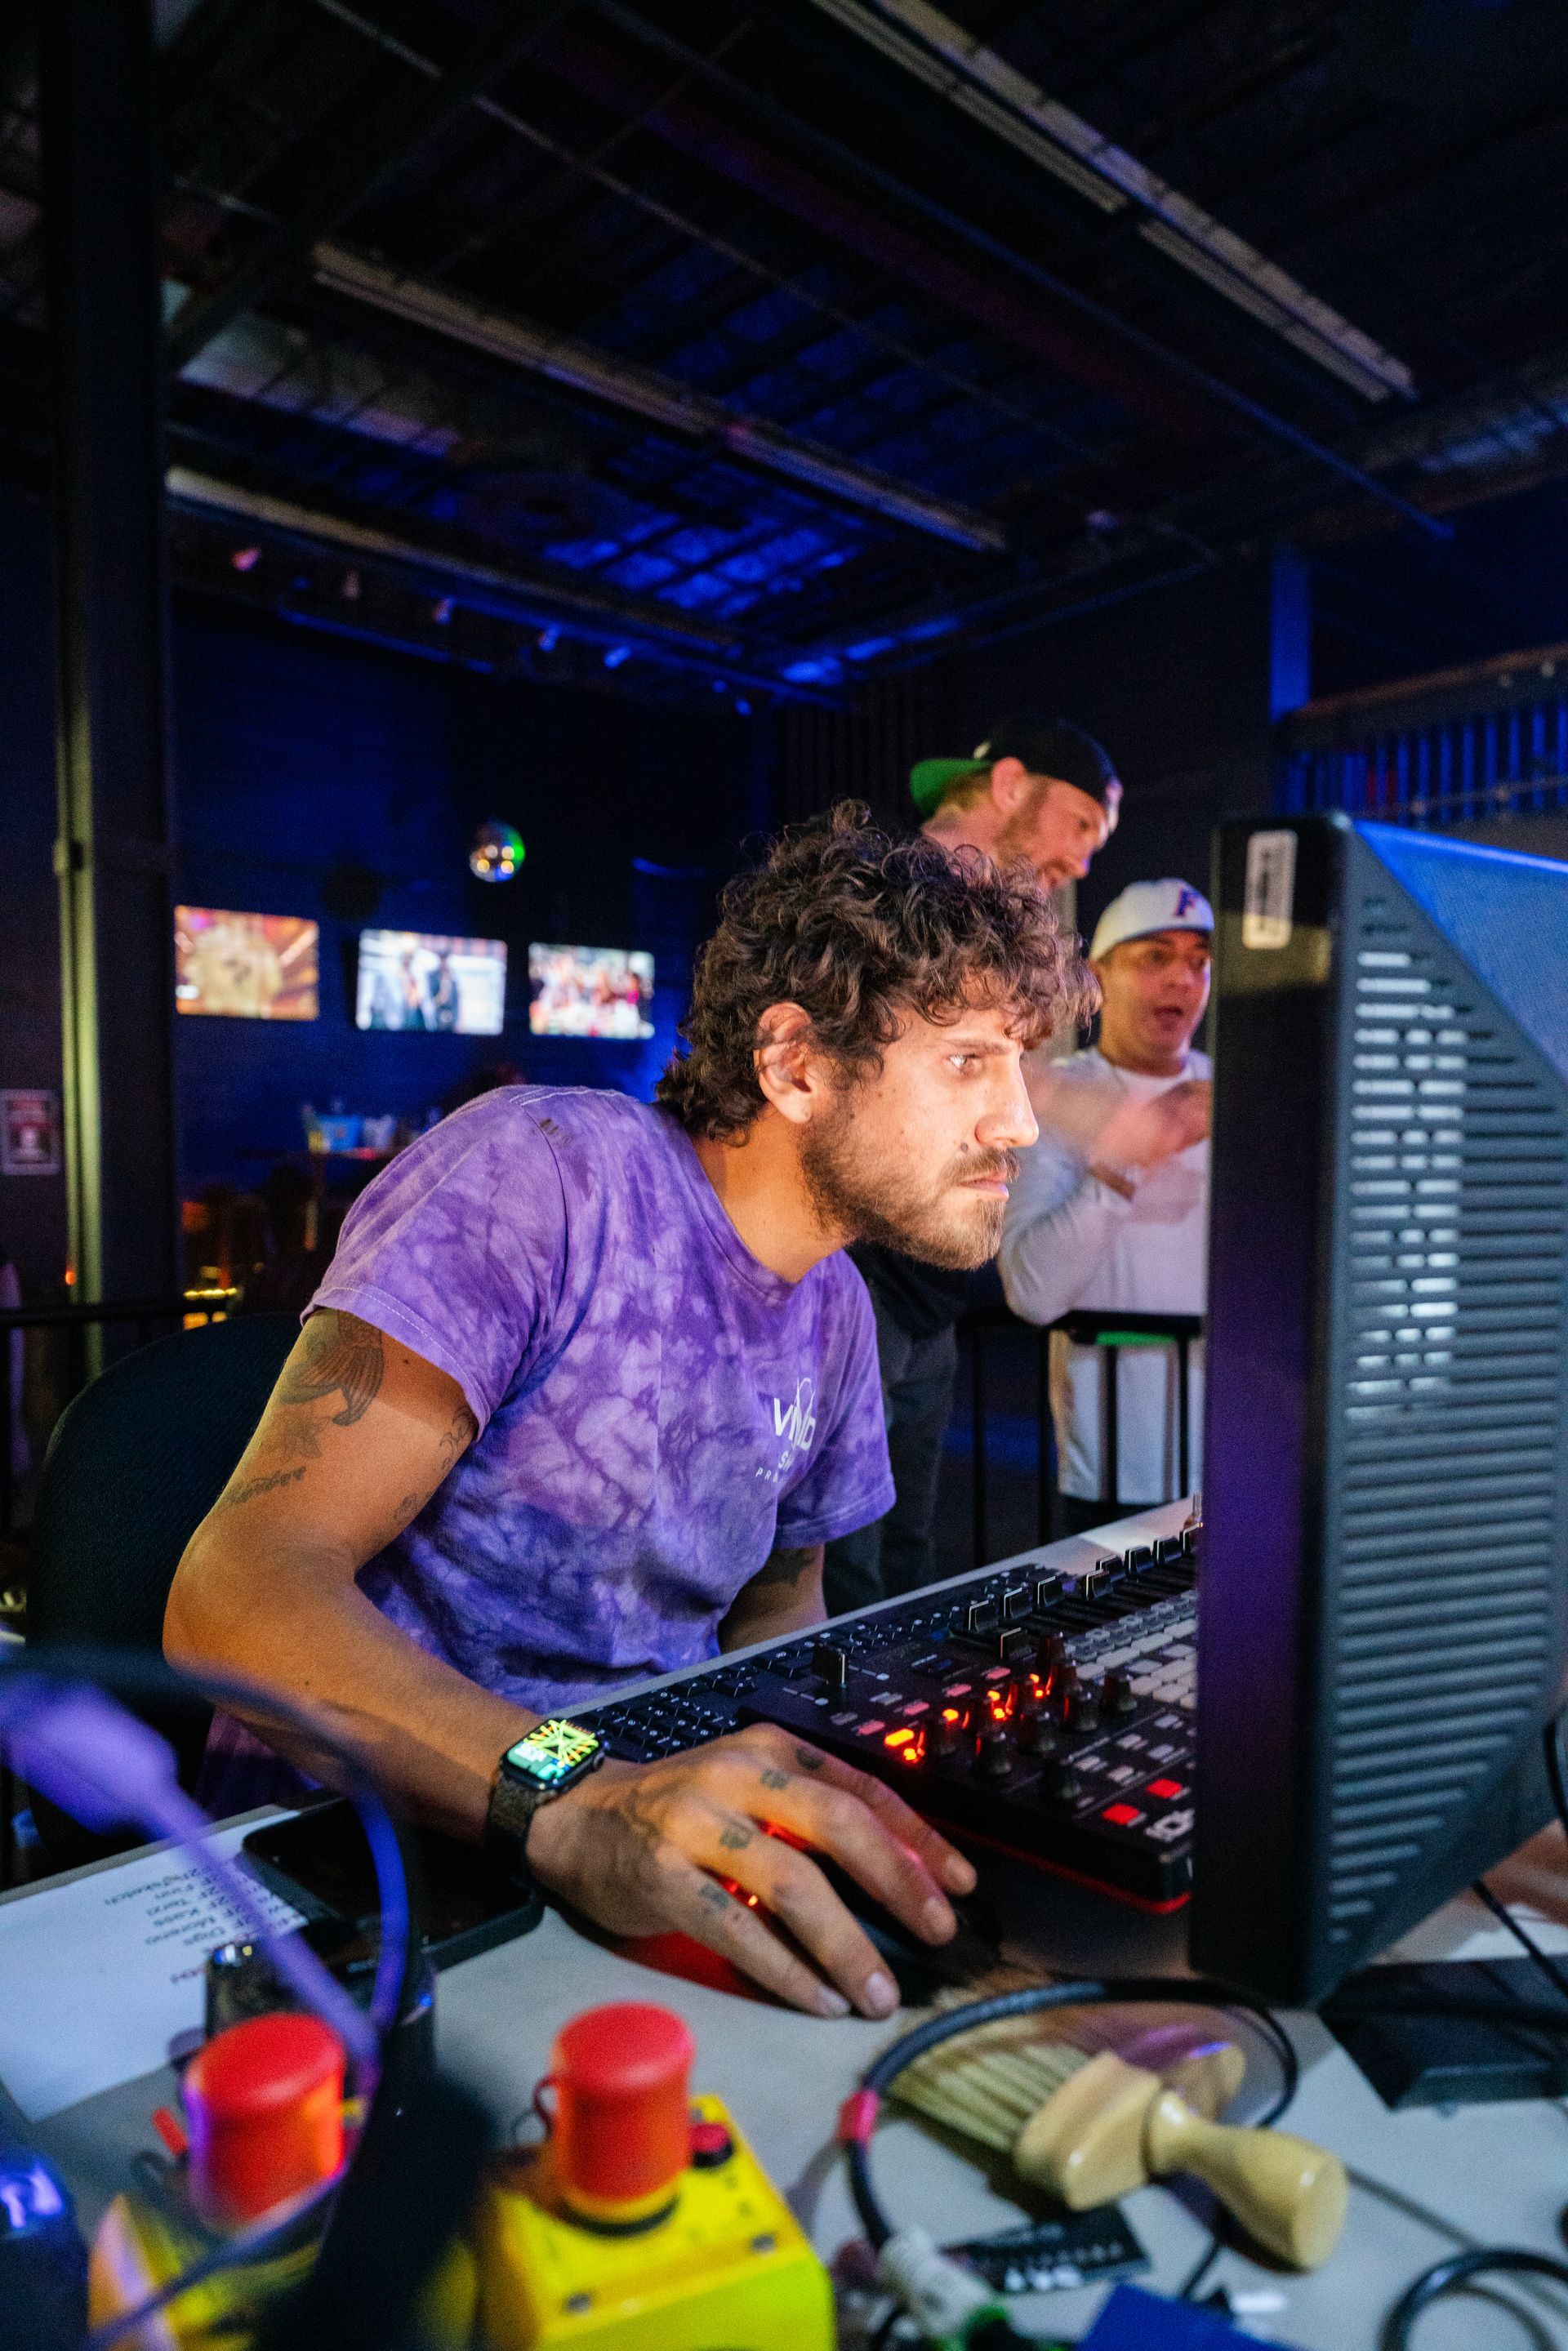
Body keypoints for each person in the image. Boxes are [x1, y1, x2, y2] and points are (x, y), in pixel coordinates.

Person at [165, 808, 1082, 2023]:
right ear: (796, 1062)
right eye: (971, 1058)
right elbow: (234, 1594)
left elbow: (777, 1607)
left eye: (1020, 1061)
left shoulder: (839, 1311)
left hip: (632, 1821)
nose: (1020, 1119)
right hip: (361, 1854)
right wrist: (577, 1789)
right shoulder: (542, 1175)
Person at [822, 716, 1120, 1614]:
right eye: (1078, 826)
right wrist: (1098, 1112)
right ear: (1008, 785)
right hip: (852, 1283)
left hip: (931, 1295)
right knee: (840, 1566)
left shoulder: (995, 933)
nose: (1081, 861)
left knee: (904, 1554)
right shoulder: (885, 891)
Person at [998, 879, 1213, 1537]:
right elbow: (1032, 1291)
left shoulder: (1242, 1089)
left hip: (1236, 1457)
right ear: (1099, 976)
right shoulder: (1061, 1098)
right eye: (1154, 956)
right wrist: (1132, 1155)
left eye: (1199, 961)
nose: (1182, 978)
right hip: (1110, 1468)